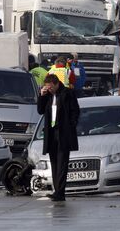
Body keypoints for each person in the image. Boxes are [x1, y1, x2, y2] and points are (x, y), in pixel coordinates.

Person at [37, 74, 80, 202]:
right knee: (54, 163)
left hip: (63, 132)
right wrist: (42, 96)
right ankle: (57, 191)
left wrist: (71, 126)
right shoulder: (48, 96)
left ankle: (60, 192)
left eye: (50, 87)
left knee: (62, 164)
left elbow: (75, 111)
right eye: (47, 88)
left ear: (56, 84)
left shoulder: (67, 93)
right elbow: (40, 110)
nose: (49, 90)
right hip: (51, 133)